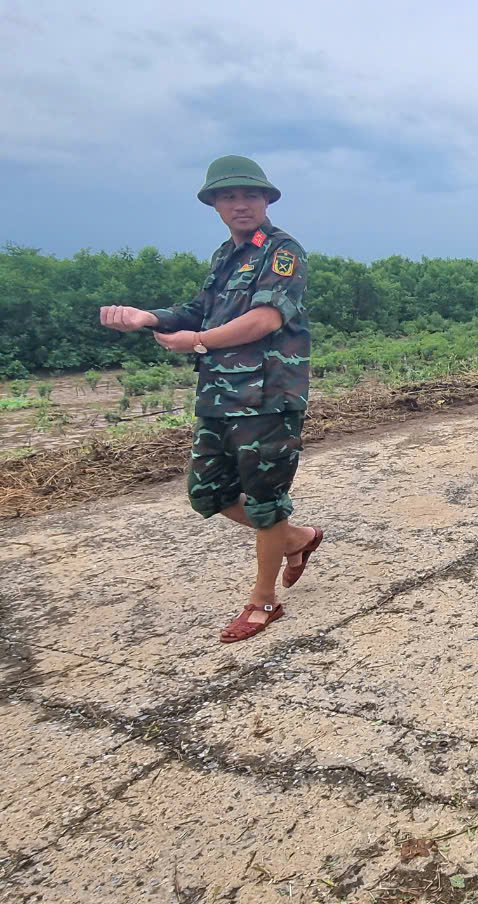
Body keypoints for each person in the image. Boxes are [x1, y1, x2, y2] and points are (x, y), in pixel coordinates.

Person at [98, 155, 322, 643]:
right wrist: (148, 318)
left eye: (250, 195)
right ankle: (298, 539)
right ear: (214, 204)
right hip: (219, 393)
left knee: (265, 503)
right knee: (208, 494)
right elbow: (198, 308)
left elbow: (265, 319)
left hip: (267, 396)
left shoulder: (282, 251)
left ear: (266, 200)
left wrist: (197, 341)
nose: (240, 204)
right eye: (228, 196)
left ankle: (263, 603)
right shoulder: (226, 255)